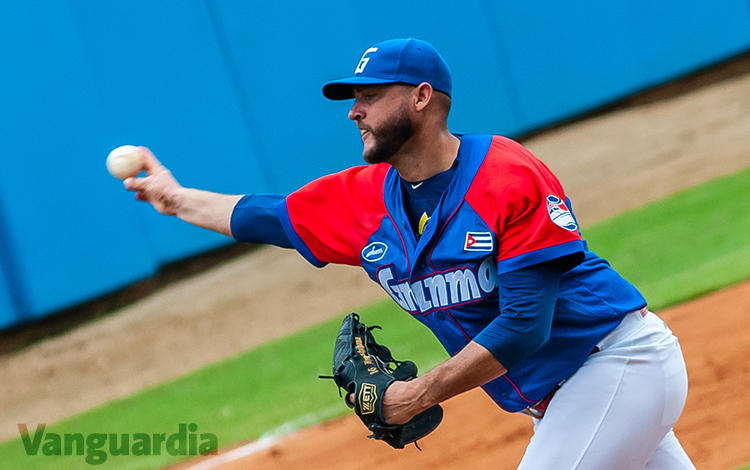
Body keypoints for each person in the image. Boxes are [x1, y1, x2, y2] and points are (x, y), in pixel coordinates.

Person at [125, 38, 696, 469]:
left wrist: (415, 395)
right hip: (568, 395)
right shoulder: (363, 198)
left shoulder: (504, 175)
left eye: (370, 96)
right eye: (354, 99)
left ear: (422, 97)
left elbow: (525, 325)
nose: (355, 111)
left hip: (618, 364)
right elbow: (267, 216)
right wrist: (174, 199)